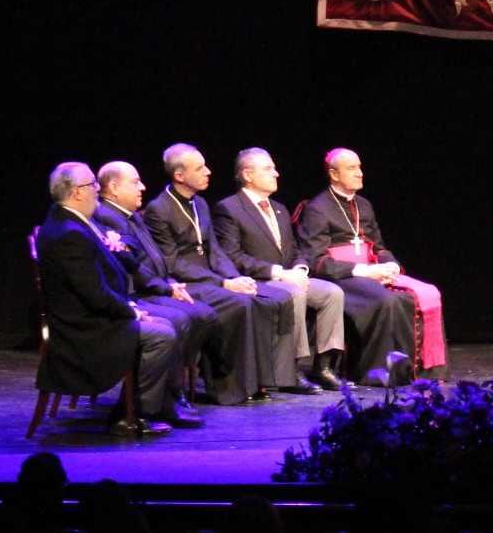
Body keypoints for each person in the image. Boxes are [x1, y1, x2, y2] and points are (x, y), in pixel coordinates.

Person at [34, 161, 190, 434]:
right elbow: (94, 295)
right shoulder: (68, 233)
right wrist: (131, 311)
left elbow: (113, 266)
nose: (97, 189)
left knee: (167, 326)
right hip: (86, 329)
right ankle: (129, 416)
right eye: (92, 184)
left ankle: (139, 409)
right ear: (77, 192)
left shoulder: (74, 221)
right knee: (162, 335)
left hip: (95, 315)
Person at [141, 143, 299, 400]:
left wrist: (235, 277)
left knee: (267, 300)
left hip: (214, 279)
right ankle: (227, 388)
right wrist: (223, 283)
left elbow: (215, 250)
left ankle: (258, 383)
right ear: (179, 176)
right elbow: (172, 263)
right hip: (187, 282)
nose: (208, 171)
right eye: (200, 168)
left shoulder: (200, 203)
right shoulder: (159, 209)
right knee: (241, 304)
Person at [93, 160, 230, 411]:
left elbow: (154, 258)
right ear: (113, 188)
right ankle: (169, 391)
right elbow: (134, 266)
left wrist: (170, 282)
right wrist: (166, 288)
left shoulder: (129, 215)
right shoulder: (107, 217)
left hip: (154, 286)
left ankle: (173, 382)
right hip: (138, 292)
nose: (142, 187)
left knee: (205, 314)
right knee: (183, 318)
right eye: (134, 183)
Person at [212, 147, 345, 392]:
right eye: (268, 169)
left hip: (287, 277)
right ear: (248, 174)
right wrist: (279, 273)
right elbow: (232, 256)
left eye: (274, 168)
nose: (276, 173)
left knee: (331, 292)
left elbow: (294, 249)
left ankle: (323, 366)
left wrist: (300, 268)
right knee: (294, 293)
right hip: (256, 280)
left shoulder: (280, 209)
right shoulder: (229, 209)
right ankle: (291, 370)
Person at [296, 147, 432, 383]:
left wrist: (391, 266)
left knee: (411, 296)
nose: (360, 173)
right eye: (351, 168)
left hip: (370, 272)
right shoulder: (317, 208)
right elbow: (315, 260)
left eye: (359, 167)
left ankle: (408, 372)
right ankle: (372, 374)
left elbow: (378, 246)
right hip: (339, 277)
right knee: (385, 299)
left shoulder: (364, 205)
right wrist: (364, 271)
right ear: (334, 174)